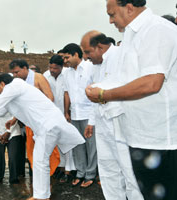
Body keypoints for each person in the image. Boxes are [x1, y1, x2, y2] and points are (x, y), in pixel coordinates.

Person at [86, 0, 177, 199]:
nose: (110, 21)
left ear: (129, 7)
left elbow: (151, 83)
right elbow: (126, 78)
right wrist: (102, 86)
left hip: (160, 140)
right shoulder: (131, 35)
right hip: (138, 135)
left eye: (112, 14)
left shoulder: (157, 30)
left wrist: (104, 95)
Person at [0, 73, 85, 200]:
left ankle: (42, 196)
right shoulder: (12, 90)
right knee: (39, 161)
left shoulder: (13, 87)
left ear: (2, 84)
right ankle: (41, 195)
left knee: (40, 161)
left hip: (48, 125)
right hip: (45, 126)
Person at [86, 33, 143, 200]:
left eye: (88, 53)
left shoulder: (121, 55)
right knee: (108, 167)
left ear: (100, 48)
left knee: (128, 169)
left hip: (120, 119)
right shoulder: (96, 65)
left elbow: (127, 86)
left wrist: (100, 92)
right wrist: (92, 121)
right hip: (102, 121)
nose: (87, 58)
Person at [9, 59, 60, 179]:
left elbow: (50, 98)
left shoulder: (38, 78)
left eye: (17, 72)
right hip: (29, 123)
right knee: (33, 152)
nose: (15, 75)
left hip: (42, 122)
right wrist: (15, 118)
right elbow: (22, 104)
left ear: (25, 68)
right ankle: (37, 176)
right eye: (13, 73)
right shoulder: (19, 82)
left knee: (46, 151)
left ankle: (49, 176)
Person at [62, 43, 97, 188]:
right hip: (74, 114)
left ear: (76, 54)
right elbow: (67, 93)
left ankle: (90, 175)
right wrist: (66, 112)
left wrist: (93, 119)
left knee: (91, 146)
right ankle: (80, 173)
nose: (65, 61)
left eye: (67, 57)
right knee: (77, 145)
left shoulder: (90, 68)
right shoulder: (66, 73)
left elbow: (95, 92)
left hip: (89, 114)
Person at [44, 55, 75, 183]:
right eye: (50, 67)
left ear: (62, 67)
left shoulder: (67, 74)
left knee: (68, 143)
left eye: (55, 68)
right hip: (52, 115)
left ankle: (69, 170)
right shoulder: (46, 76)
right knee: (57, 142)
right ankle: (61, 168)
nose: (52, 70)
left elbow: (69, 93)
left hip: (66, 113)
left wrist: (68, 113)